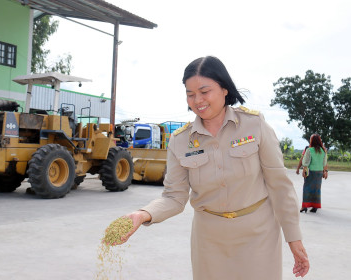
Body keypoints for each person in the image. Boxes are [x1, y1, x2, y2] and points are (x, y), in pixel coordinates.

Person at [118, 56, 309, 279]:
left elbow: (280, 187)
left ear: (224, 88)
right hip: (209, 240)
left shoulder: (254, 125)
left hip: (259, 235)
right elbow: (174, 196)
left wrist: (294, 239)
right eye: (190, 94)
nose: (197, 100)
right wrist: (142, 215)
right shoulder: (180, 141)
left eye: (204, 91)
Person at [300, 134, 328, 213]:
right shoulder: (323, 151)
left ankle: (304, 207)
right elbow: (324, 162)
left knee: (306, 189)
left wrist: (304, 169)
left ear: (311, 141)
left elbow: (305, 162)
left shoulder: (309, 150)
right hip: (319, 172)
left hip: (311, 172)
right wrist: (325, 171)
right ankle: (315, 207)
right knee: (317, 190)